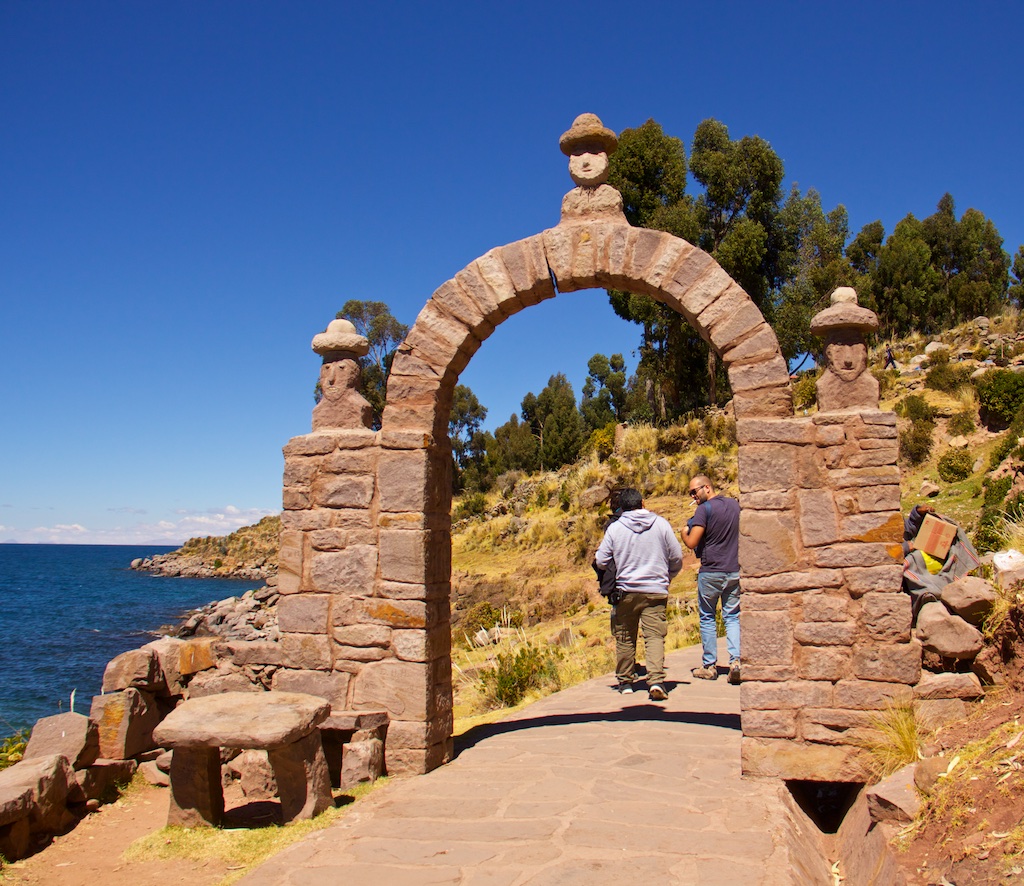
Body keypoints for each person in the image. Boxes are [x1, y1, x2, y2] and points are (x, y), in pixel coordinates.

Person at [594, 488, 682, 700]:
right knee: (654, 636)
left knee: (625, 636)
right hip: (655, 590)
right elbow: (677, 556)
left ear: (622, 508)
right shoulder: (661, 524)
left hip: (626, 591)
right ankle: (656, 681)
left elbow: (600, 560)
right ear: (643, 503)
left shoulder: (615, 529)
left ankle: (625, 681)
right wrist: (667, 577)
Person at [682, 475, 741, 684]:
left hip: (711, 571)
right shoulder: (734, 505)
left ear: (707, 487)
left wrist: (683, 533)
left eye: (694, 491)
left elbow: (692, 542)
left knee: (707, 617)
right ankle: (736, 662)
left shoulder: (704, 510)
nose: (693, 496)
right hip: (734, 569)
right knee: (732, 616)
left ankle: (709, 665)